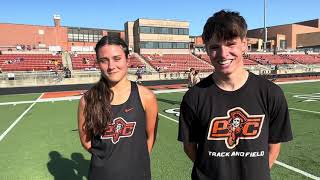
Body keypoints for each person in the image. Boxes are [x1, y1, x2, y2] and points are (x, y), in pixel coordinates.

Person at [178, 10, 292, 180]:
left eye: (230, 44)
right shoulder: (194, 97)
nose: (223, 54)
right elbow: (189, 147)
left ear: (244, 44)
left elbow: (274, 146)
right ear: (207, 50)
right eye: (215, 47)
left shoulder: (271, 93)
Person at [78, 36, 158, 180]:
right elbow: (86, 141)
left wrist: (136, 162)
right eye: (104, 60)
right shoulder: (87, 100)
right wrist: (108, 161)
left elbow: (150, 137)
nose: (111, 66)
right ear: (98, 63)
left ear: (127, 60)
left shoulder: (146, 96)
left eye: (117, 58)